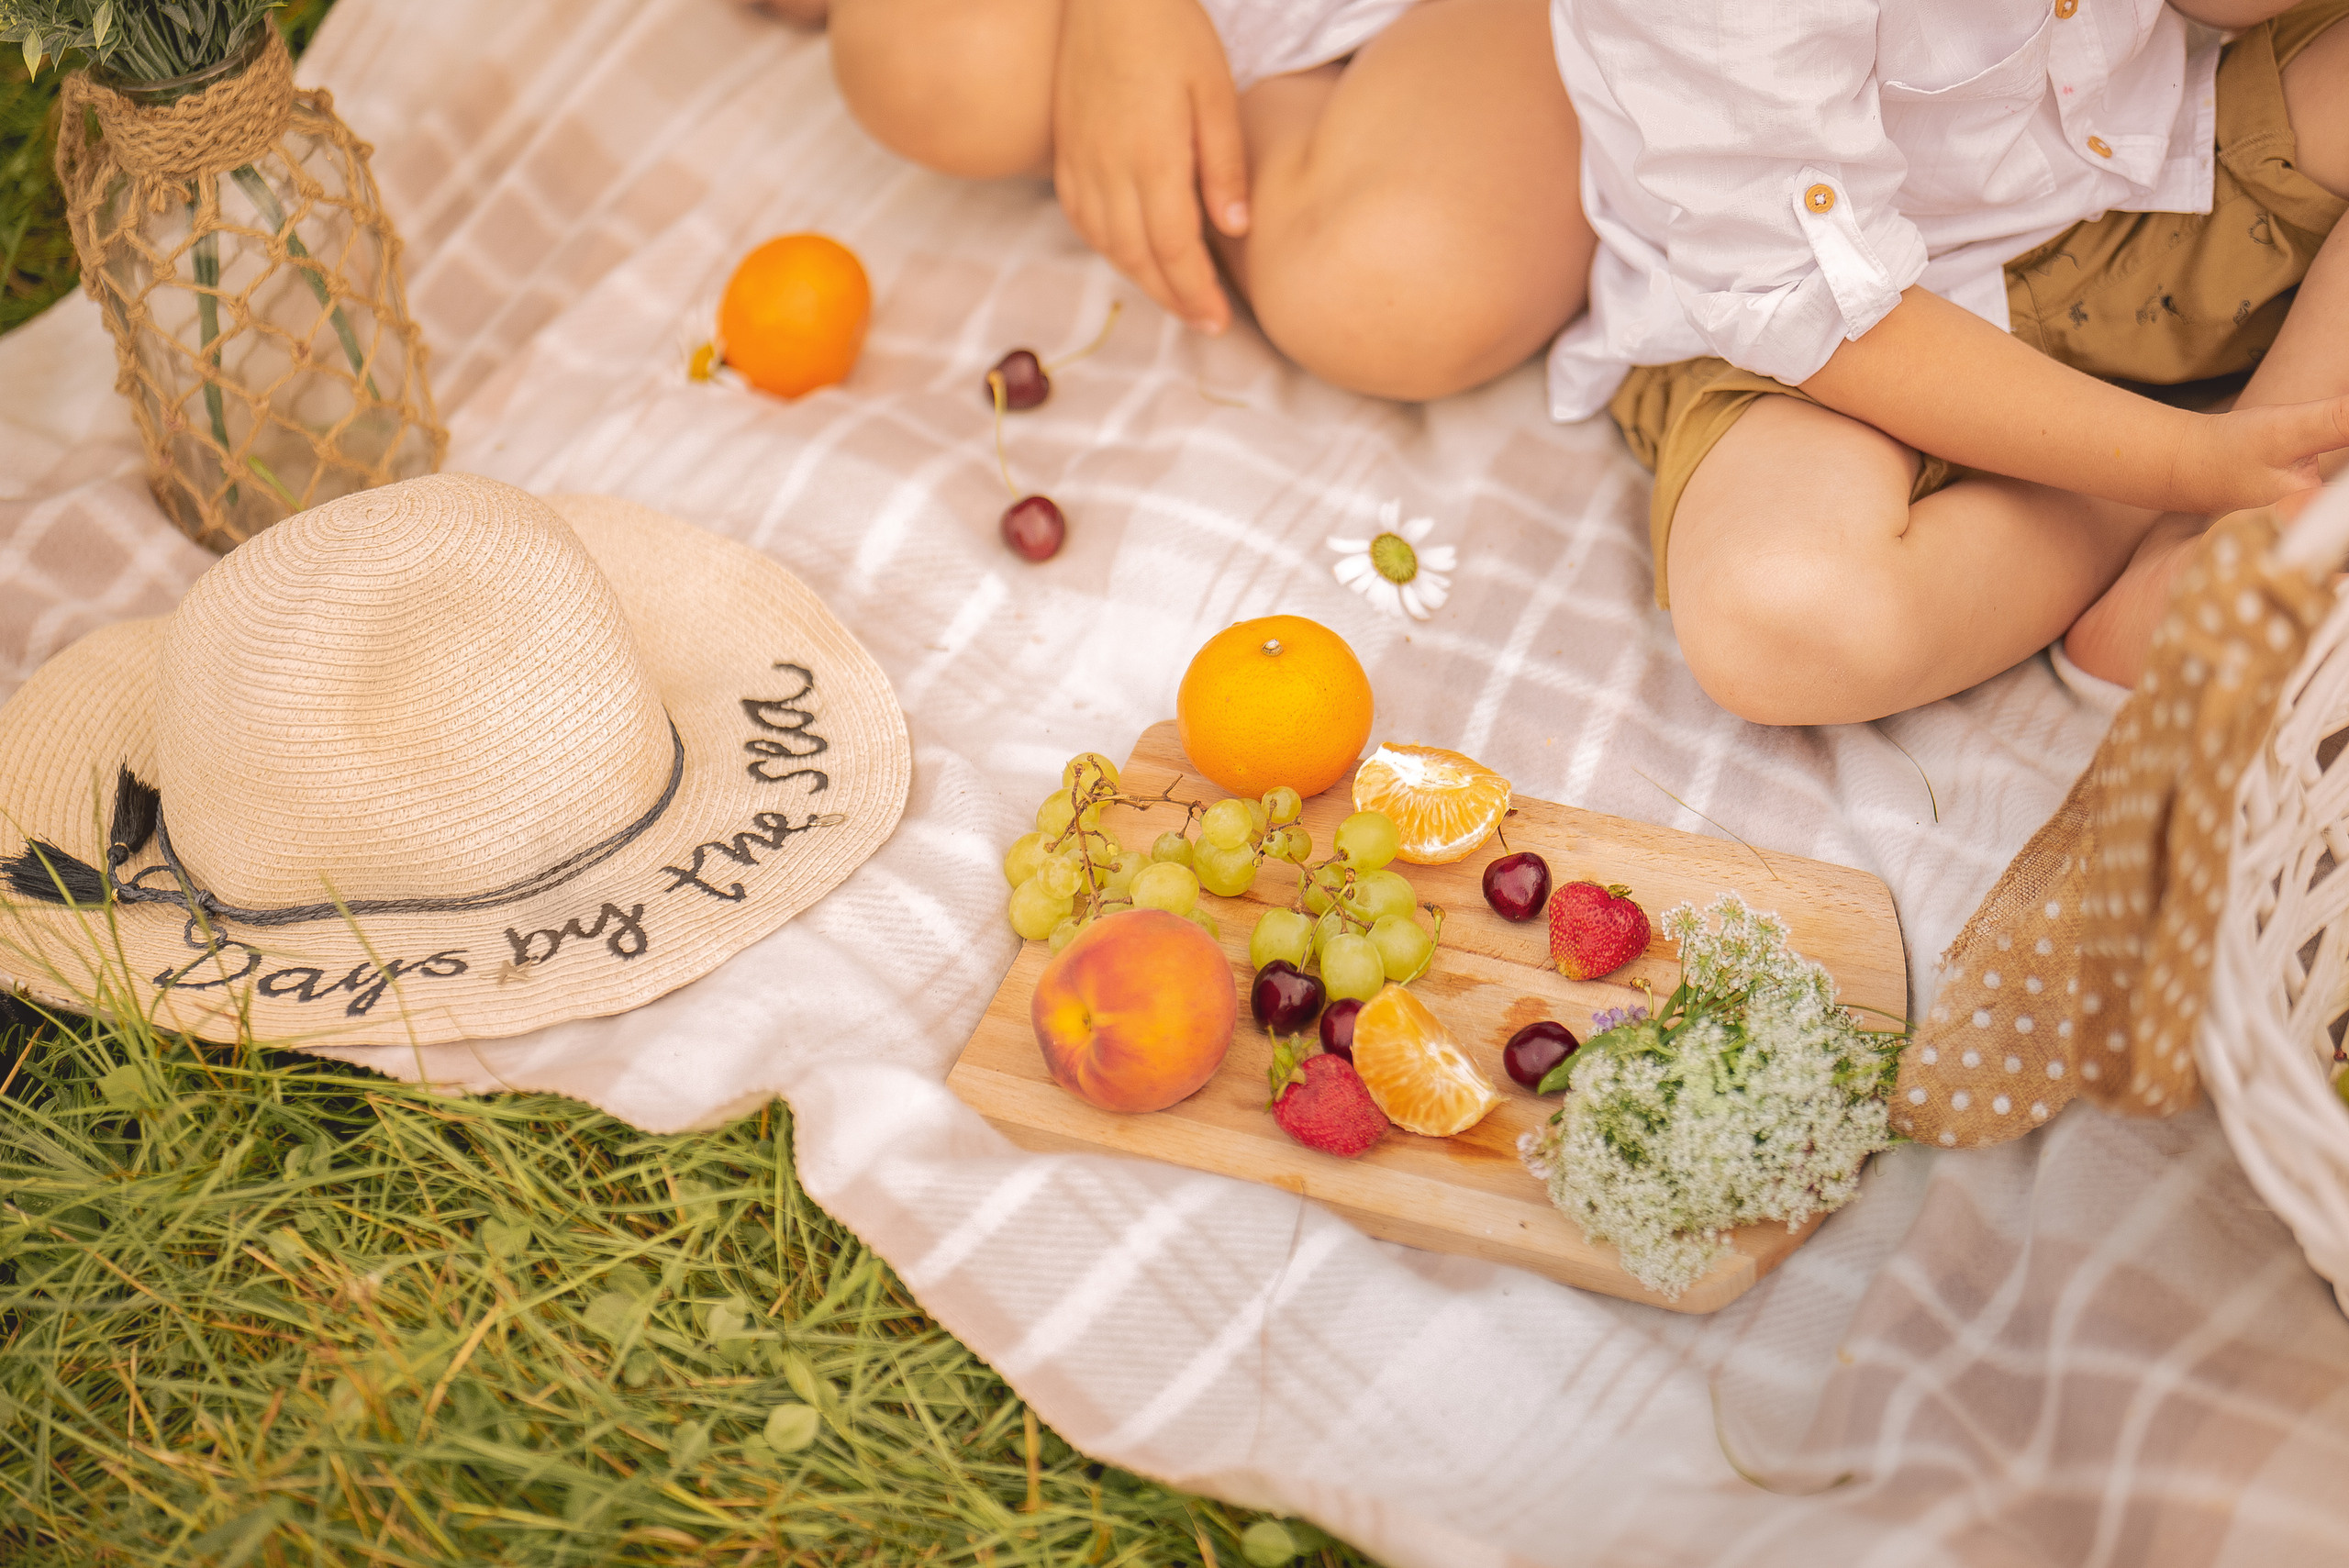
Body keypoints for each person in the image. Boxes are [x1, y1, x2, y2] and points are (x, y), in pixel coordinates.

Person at [814, 0, 2349, 725]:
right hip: (1827, 268)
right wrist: (2165, 464)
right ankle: (2197, 498)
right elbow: (1808, 305)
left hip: (2125, 161)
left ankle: (2251, 485)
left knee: (1393, 285)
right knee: (927, 64)